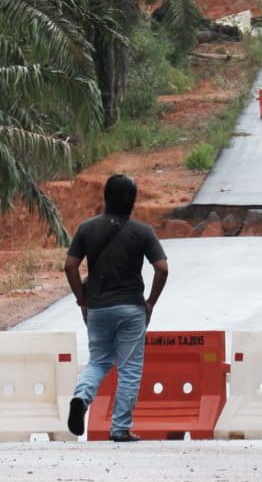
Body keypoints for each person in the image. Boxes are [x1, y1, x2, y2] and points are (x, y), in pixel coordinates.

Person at [63, 174, 169, 442]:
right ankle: (120, 428)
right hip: (132, 308)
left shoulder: (86, 228)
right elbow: (162, 268)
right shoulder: (143, 231)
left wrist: (81, 298)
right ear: (132, 201)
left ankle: (81, 397)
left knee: (98, 360)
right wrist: (151, 302)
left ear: (105, 198)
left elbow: (70, 265)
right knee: (129, 369)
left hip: (97, 309)